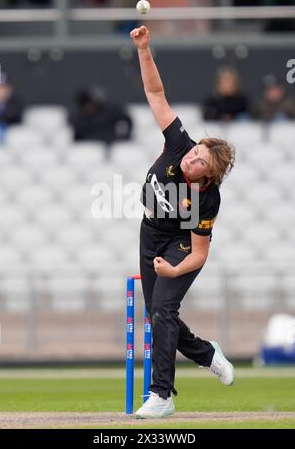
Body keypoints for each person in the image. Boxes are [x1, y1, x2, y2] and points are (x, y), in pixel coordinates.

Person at [130, 26, 236, 419]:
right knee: (161, 317)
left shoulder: (206, 198)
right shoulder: (178, 143)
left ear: (207, 177)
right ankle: (207, 354)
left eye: (200, 162)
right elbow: (156, 94)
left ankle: (162, 395)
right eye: (196, 151)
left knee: (162, 310)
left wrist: (174, 267)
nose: (191, 158)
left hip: (180, 244)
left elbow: (200, 252)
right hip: (149, 233)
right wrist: (144, 49)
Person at [0, 73, 23, 144]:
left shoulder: (16, 103)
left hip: (13, 139)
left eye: (3, 88)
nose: (0, 91)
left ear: (9, 89)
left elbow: (15, 118)